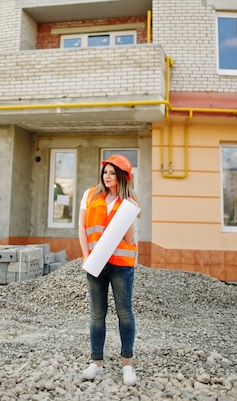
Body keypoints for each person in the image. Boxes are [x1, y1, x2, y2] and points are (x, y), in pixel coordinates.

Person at [78, 154, 140, 386]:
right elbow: (82, 228)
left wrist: (130, 214)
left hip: (121, 265)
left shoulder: (128, 200)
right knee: (97, 314)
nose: (107, 176)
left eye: (113, 173)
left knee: (124, 313)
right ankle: (96, 363)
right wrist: (86, 256)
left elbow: (129, 237)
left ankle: (127, 365)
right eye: (105, 172)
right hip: (95, 264)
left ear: (122, 177)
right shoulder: (90, 194)